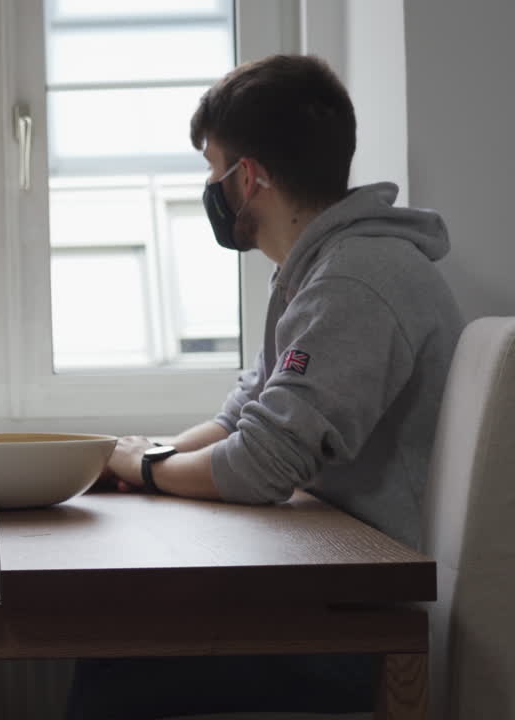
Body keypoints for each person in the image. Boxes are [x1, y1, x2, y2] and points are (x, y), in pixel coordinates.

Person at [68, 54, 464, 717]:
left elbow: (262, 464)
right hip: (333, 592)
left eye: (212, 170)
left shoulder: (356, 280)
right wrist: (144, 460)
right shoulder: (318, 273)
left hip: (376, 631)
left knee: (115, 665)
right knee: (116, 637)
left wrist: (147, 466)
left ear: (247, 178)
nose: (210, 189)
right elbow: (243, 417)